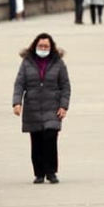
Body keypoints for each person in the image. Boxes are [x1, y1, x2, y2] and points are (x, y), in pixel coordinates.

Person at [12, 33, 71, 184]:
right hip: (33, 107)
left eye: (46, 46)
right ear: (35, 46)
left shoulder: (58, 63)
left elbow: (65, 86)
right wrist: (17, 103)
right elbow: (19, 83)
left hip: (53, 107)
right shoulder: (27, 63)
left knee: (50, 138)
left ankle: (51, 172)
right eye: (40, 46)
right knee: (37, 141)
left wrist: (63, 106)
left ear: (51, 48)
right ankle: (39, 173)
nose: (43, 48)